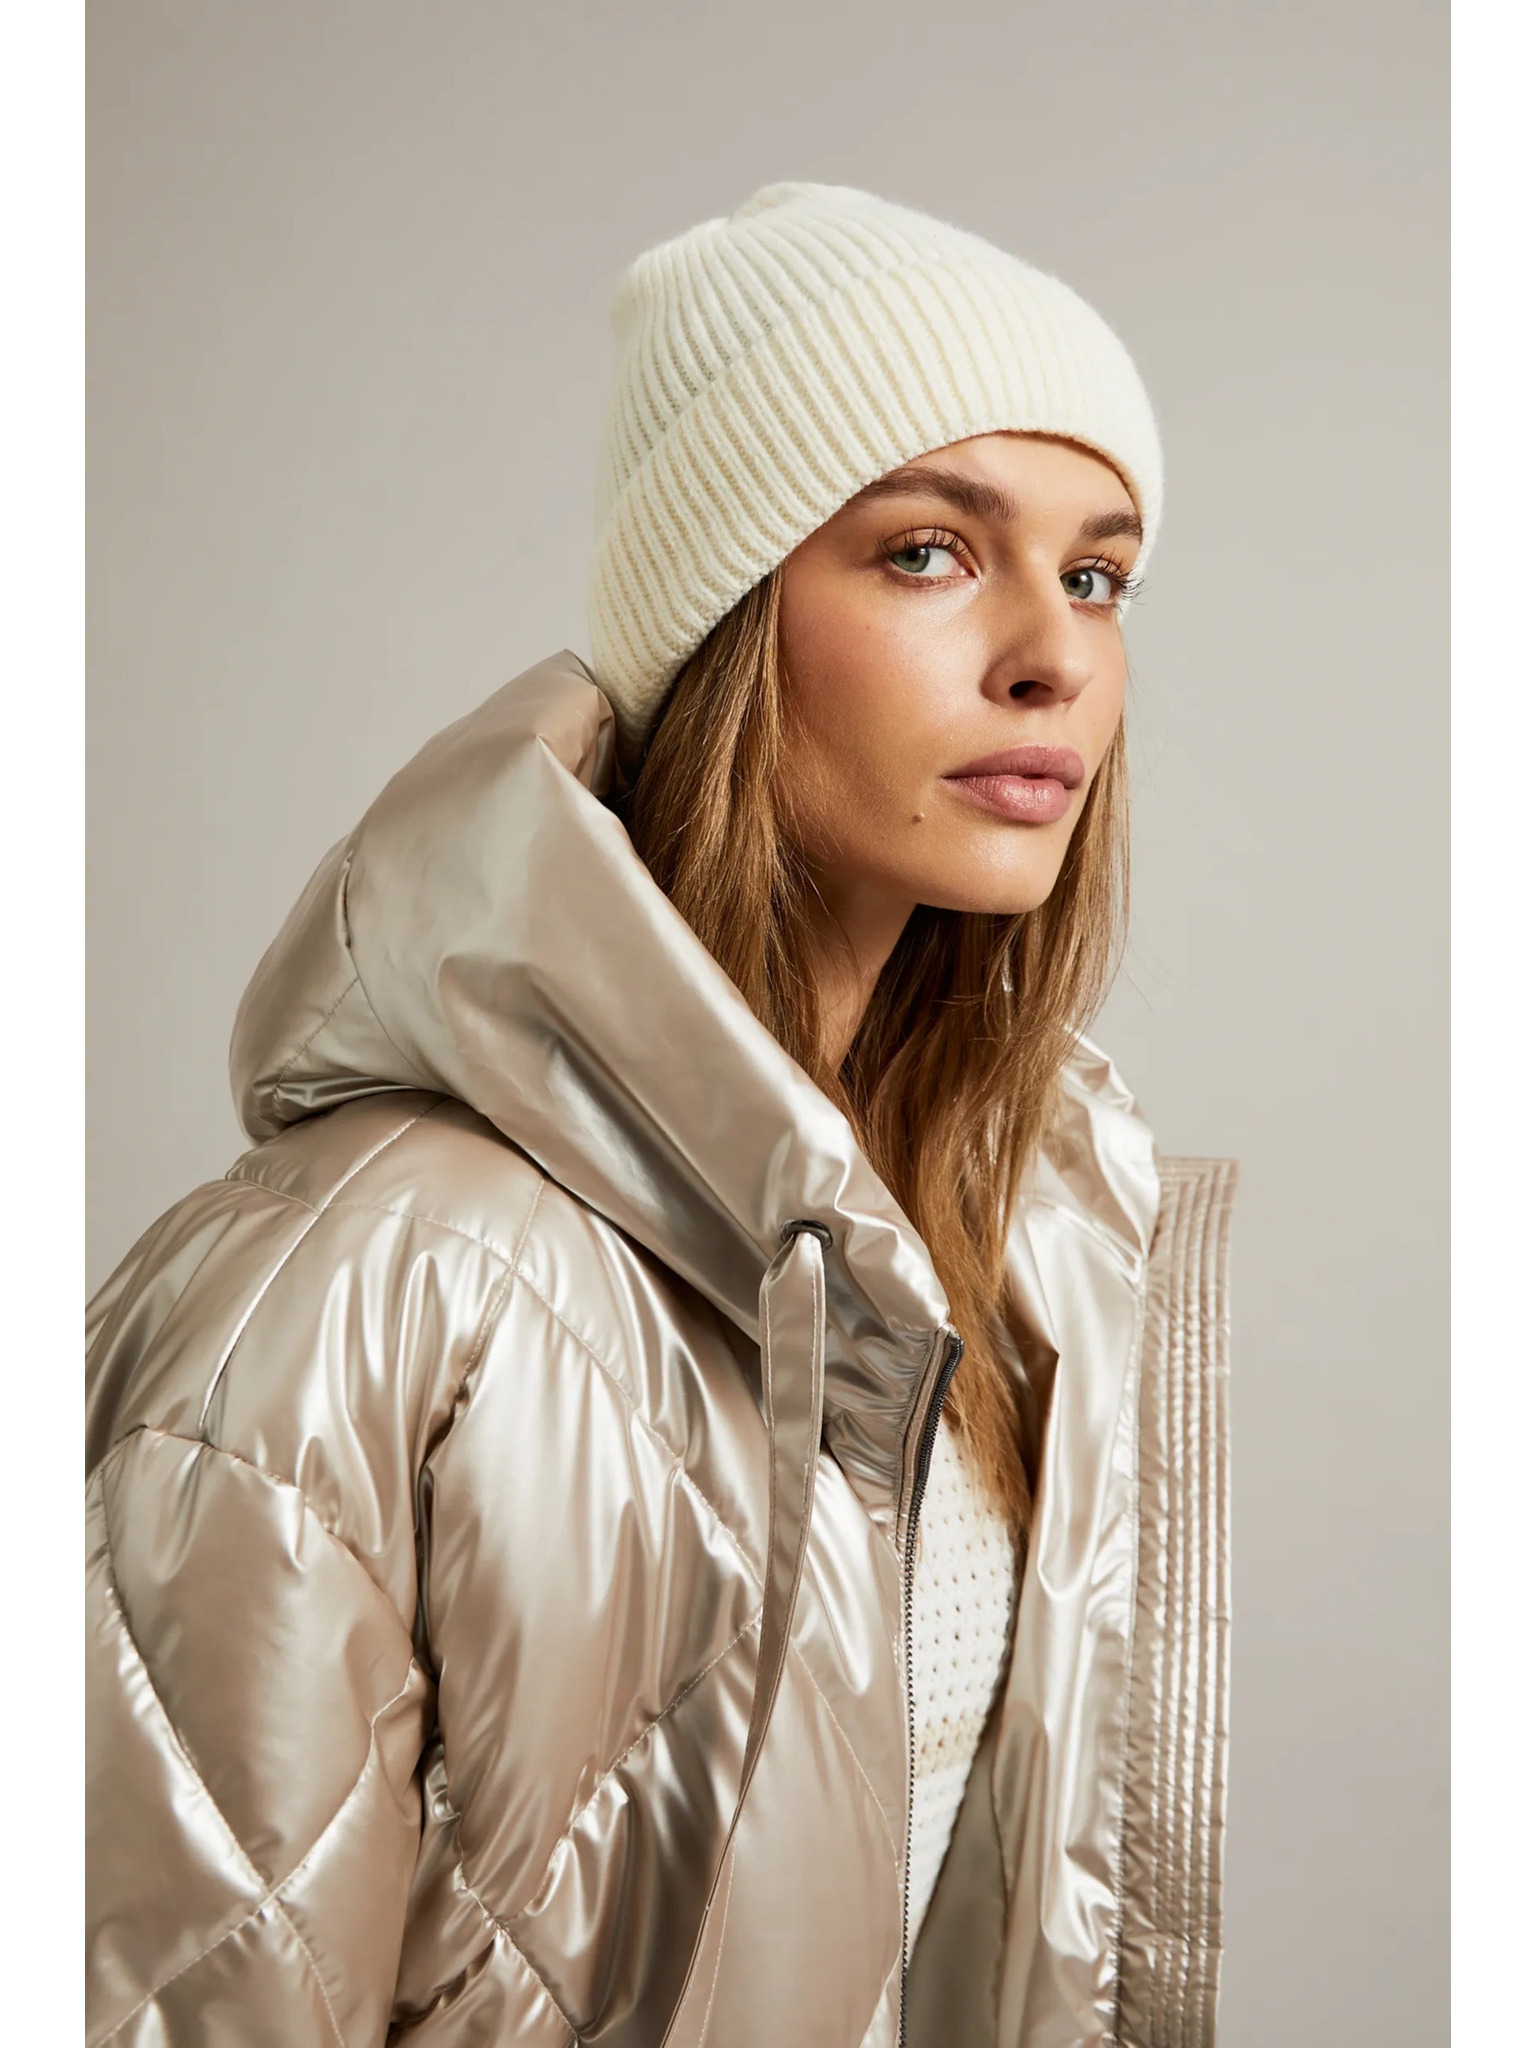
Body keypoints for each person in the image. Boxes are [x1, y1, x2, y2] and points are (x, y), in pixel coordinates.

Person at [85, 182, 1236, 2048]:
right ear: (725, 617)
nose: (1055, 653)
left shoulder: (1030, 1262)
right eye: (929, 552)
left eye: (1097, 575)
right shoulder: (360, 1283)